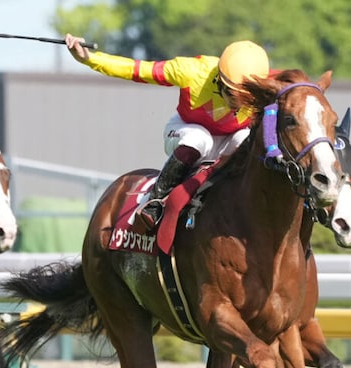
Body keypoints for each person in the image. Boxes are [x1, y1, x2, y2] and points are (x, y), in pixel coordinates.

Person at [64, 34, 270, 229]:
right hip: (185, 131)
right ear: (220, 81)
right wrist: (88, 59)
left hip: (228, 142)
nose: (240, 105)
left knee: (245, 138)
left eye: (249, 98)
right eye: (236, 96)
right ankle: (154, 202)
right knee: (200, 138)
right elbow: (135, 69)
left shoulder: (263, 85)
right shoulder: (191, 71)